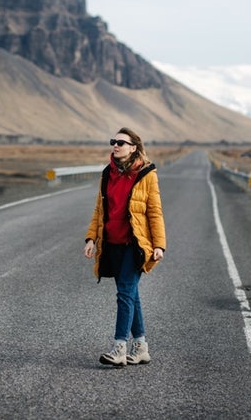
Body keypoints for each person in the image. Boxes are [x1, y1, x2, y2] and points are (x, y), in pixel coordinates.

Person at [84, 127, 166, 366]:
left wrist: (159, 244)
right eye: (113, 141)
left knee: (125, 295)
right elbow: (99, 210)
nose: (115, 145)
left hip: (135, 244)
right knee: (131, 295)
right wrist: (91, 238)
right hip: (112, 243)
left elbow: (154, 211)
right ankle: (140, 347)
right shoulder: (107, 174)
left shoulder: (146, 174)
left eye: (121, 142)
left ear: (133, 147)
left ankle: (119, 347)